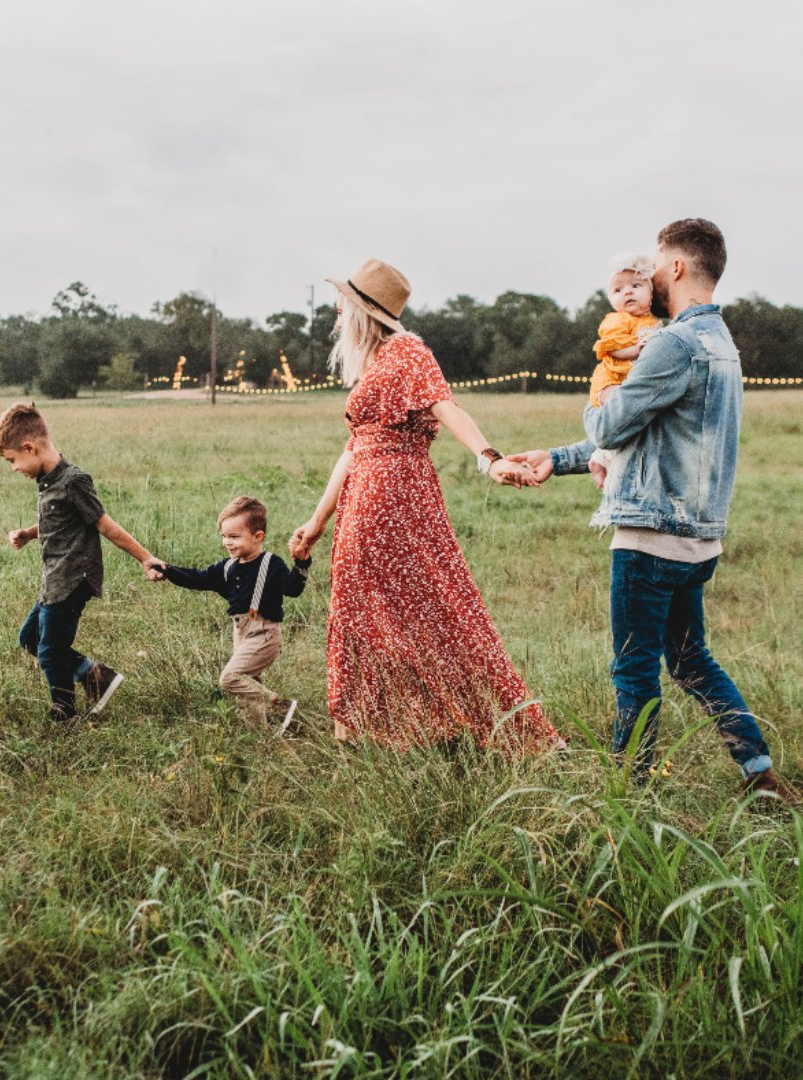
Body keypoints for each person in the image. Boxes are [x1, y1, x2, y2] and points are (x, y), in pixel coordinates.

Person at [510, 219, 797, 802]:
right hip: (698, 540)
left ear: (678, 268)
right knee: (692, 661)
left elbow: (613, 423)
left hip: (650, 537)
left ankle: (628, 791)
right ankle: (760, 773)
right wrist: (558, 459)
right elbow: (650, 435)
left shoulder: (672, 343)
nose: (649, 276)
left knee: (633, 669)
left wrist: (603, 399)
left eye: (657, 264)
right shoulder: (722, 344)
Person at [289, 258, 562, 753]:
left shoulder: (407, 351)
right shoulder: (374, 362)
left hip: (394, 495)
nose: (334, 311)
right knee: (365, 610)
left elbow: (447, 406)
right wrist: (316, 521)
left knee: (433, 607)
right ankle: (371, 727)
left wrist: (489, 458)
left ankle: (461, 722)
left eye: (342, 303)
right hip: (367, 495)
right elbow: (353, 450)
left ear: (362, 311)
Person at [0, 402, 161, 724]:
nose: (13, 468)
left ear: (30, 447)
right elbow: (60, 522)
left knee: (50, 650)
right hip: (54, 579)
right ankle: (95, 676)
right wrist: (29, 533)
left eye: (13, 460)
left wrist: (146, 558)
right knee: (29, 638)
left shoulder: (73, 481)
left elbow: (103, 524)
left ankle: (65, 713)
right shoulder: (48, 482)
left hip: (72, 579)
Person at [150, 496, 309, 731]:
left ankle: (280, 705)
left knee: (230, 678)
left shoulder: (270, 563)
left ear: (258, 536)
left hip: (264, 633)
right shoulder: (227, 567)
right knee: (248, 686)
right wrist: (167, 571)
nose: (227, 542)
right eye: (224, 536)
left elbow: (293, 589)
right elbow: (197, 578)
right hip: (241, 632)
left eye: (234, 537)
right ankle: (259, 736)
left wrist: (301, 564)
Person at [587, 253, 662, 486]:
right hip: (611, 380)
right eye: (618, 290)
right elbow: (611, 348)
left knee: (632, 419)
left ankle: (599, 458)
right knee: (619, 412)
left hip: (628, 380)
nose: (627, 292)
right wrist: (636, 350)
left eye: (636, 286)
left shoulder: (653, 322)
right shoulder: (617, 320)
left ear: (651, 293)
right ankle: (604, 459)